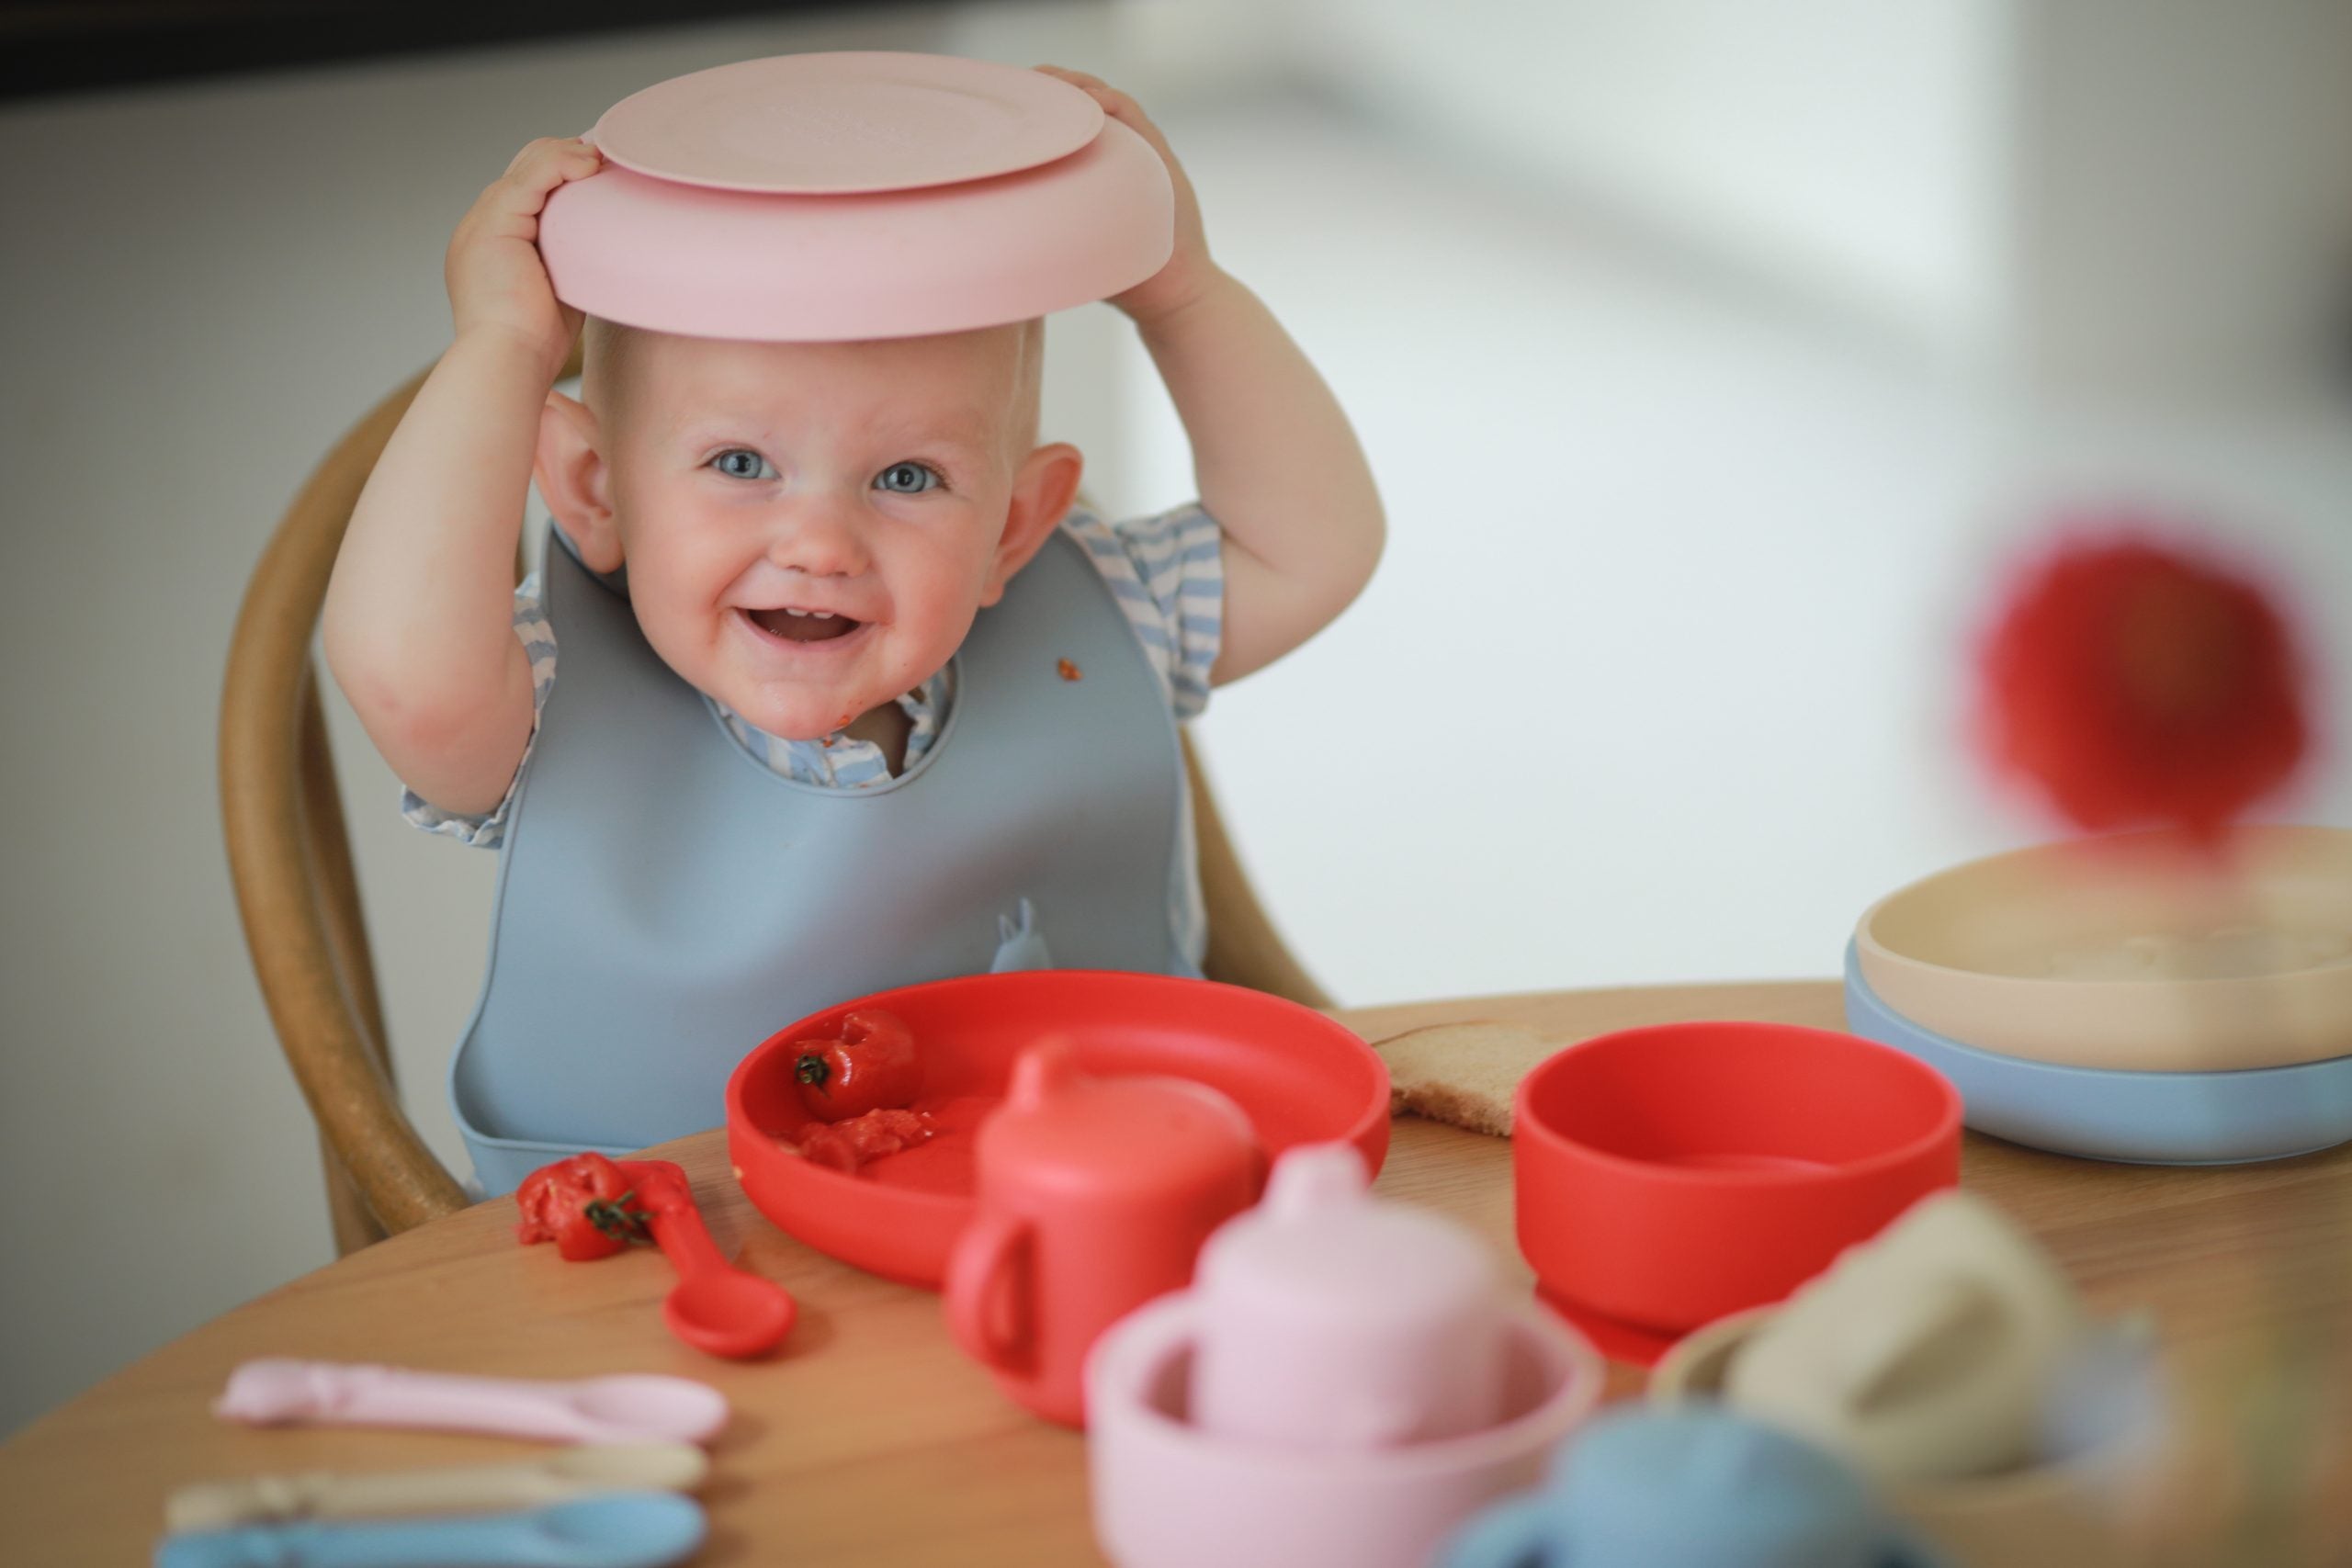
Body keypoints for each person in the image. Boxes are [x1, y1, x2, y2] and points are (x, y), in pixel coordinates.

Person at [324, 66, 1385, 1192]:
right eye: (740, 464)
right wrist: (503, 349)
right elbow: (405, 675)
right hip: (654, 1281)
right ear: (593, 489)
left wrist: (1183, 294)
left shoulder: (1098, 610)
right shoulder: (545, 705)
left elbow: (1310, 547)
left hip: (1082, 1223)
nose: (821, 541)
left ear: (1013, 528)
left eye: (909, 476)